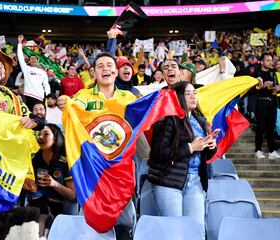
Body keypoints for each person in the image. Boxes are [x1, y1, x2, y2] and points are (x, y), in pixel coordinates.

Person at [57, 53, 136, 239]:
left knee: (124, 223)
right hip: (93, 171)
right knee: (92, 221)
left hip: (121, 170)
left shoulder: (129, 98)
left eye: (109, 65)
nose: (105, 68)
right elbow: (73, 106)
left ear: (116, 72)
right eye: (100, 66)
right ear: (93, 74)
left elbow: (144, 118)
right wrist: (66, 102)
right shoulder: (84, 96)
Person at [147, 81, 217, 240]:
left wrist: (210, 145)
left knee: (196, 231)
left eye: (194, 93)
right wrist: (190, 148)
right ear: (178, 96)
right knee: (174, 233)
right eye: (188, 93)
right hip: (169, 182)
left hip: (195, 181)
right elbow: (158, 152)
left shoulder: (200, 120)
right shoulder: (168, 119)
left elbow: (205, 154)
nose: (193, 96)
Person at [28, 123, 75, 237]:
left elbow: (72, 196)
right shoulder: (33, 160)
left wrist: (54, 184)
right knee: (40, 213)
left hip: (60, 209)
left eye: (46, 134)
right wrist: (28, 185)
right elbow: (30, 188)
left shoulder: (65, 161)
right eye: (39, 134)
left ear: (55, 140)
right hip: (39, 206)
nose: (40, 137)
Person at [252, 53, 280, 159]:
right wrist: (263, 85)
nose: (271, 62)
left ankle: (272, 151)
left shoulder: (273, 73)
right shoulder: (257, 72)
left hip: (272, 102)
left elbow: (276, 87)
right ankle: (258, 150)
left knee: (271, 128)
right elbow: (251, 88)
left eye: (271, 60)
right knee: (261, 126)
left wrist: (278, 89)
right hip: (260, 102)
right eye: (268, 60)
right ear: (262, 61)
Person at [17, 35, 51, 111]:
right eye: (31, 58)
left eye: (35, 58)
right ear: (28, 61)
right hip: (28, 96)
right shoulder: (26, 69)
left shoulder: (42, 72)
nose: (33, 60)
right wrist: (19, 43)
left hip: (41, 97)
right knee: (30, 116)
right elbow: (20, 57)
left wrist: (48, 96)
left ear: (38, 61)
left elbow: (46, 85)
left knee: (41, 116)